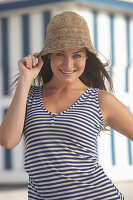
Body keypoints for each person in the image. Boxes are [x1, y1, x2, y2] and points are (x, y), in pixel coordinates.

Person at [0, 11, 132, 200]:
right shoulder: (30, 96)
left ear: (87, 57)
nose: (68, 64)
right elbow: (7, 140)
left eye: (77, 55)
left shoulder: (100, 100)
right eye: (60, 54)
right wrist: (25, 79)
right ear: (48, 57)